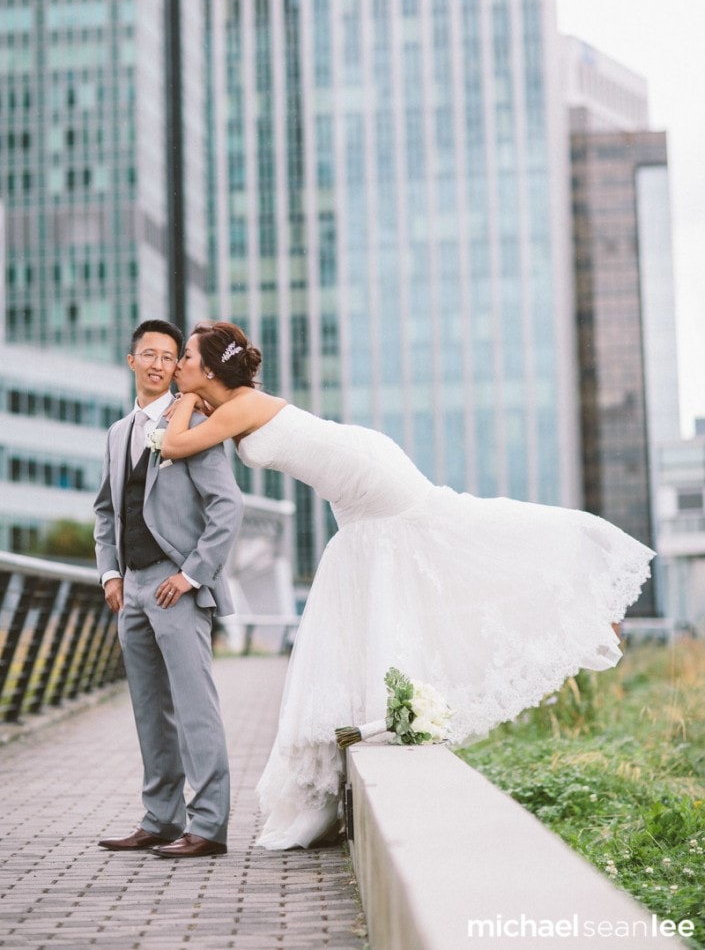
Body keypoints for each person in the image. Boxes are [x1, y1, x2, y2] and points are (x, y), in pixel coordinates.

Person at [162, 320, 655, 851]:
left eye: (184, 358)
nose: (177, 366)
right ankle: (359, 746)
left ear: (209, 369)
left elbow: (172, 446)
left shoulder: (237, 405)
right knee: (379, 571)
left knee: (451, 538)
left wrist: (183, 401)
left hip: (374, 481)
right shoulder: (231, 407)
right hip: (352, 497)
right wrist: (195, 399)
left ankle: (577, 581)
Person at [94, 319, 243, 859]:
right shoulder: (117, 434)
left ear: (178, 366)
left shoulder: (194, 424)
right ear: (131, 360)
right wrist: (110, 573)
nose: (159, 363)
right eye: (149, 354)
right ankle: (160, 818)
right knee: (149, 708)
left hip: (175, 587)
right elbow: (105, 514)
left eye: (170, 356)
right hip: (131, 588)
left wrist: (193, 573)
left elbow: (228, 506)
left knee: (194, 706)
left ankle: (208, 826)